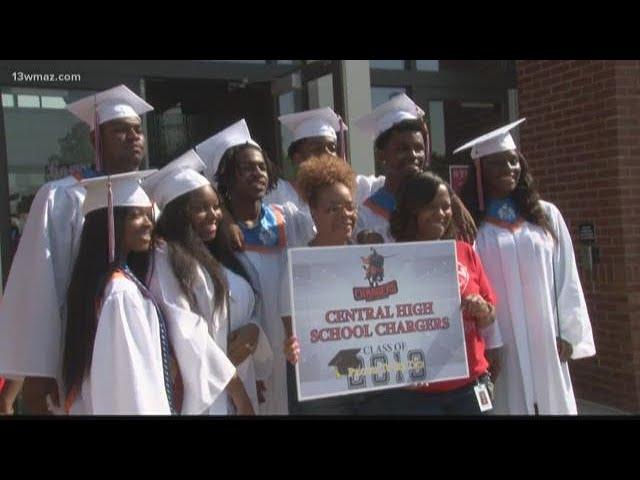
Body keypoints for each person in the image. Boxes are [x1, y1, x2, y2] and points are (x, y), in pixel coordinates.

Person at [0, 85, 154, 414]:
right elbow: (40, 291)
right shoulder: (60, 198)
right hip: (80, 345)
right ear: (95, 140)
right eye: (120, 131)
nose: (133, 137)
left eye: (137, 130)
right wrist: (38, 376)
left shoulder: (148, 199)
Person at [455, 118, 596, 414]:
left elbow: (565, 275)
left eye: (513, 161)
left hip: (545, 335)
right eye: (498, 164)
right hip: (499, 337)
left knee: (551, 402)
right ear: (479, 172)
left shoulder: (545, 215)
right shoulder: (471, 225)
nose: (509, 170)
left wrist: (567, 331)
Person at [197, 119, 311, 414]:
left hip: (288, 346)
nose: (258, 173)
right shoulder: (214, 235)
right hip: (245, 348)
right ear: (226, 175)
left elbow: (323, 232)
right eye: (246, 168)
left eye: (261, 166)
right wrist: (223, 217)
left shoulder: (286, 218)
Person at [143, 150, 268, 415]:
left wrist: (254, 329)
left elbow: (251, 302)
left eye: (215, 206)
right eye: (200, 208)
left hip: (238, 378)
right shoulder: (165, 257)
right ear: (178, 214)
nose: (213, 215)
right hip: (206, 394)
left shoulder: (220, 254)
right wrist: (237, 390)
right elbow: (188, 333)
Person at [62, 170, 179, 414]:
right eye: (136, 215)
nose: (149, 223)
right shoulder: (120, 293)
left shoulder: (111, 285)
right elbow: (131, 386)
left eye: (148, 215)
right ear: (110, 224)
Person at [281, 153, 368, 414]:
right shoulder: (297, 266)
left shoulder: (369, 260)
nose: (345, 215)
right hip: (322, 388)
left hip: (368, 383)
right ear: (313, 212)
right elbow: (293, 333)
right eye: (333, 209)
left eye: (350, 206)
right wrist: (291, 347)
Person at [353, 93, 476, 243]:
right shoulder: (365, 217)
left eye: (419, 148)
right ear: (381, 155)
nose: (413, 155)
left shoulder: (444, 212)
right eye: (402, 149)